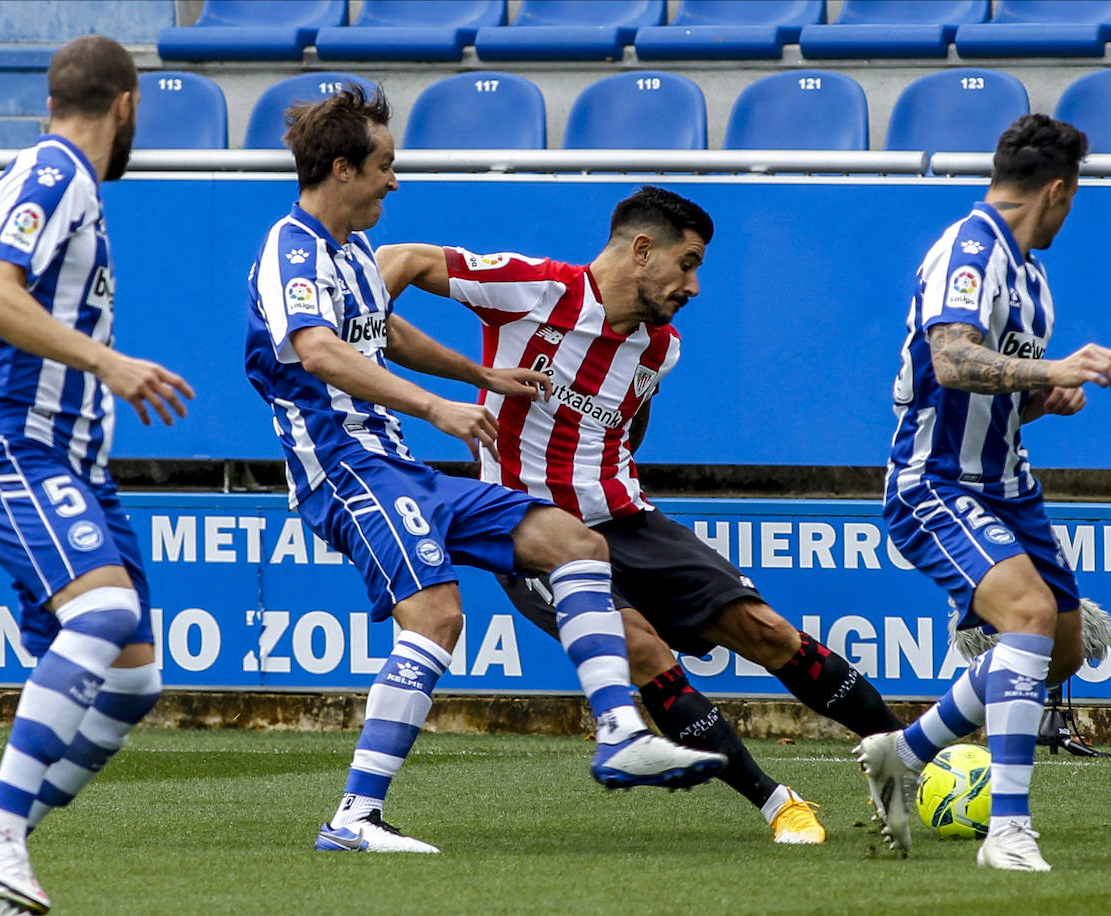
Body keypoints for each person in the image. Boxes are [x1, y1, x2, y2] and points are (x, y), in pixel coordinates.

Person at [243, 88, 725, 856]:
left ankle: (620, 730)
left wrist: (481, 374)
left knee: (575, 544)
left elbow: (383, 332)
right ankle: (353, 819)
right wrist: (439, 408)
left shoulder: (351, 257)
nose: (393, 181)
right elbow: (319, 350)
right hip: (345, 468)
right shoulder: (291, 248)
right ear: (342, 169)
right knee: (437, 618)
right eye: (384, 166)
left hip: (396, 466)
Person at [376, 185, 904, 846]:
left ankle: (903, 765)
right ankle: (777, 803)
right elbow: (398, 259)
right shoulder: (535, 289)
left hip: (628, 520)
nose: (695, 285)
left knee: (766, 631)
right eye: (687, 264)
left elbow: (630, 414)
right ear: (643, 250)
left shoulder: (661, 347)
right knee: (644, 650)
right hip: (532, 532)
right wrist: (370, 336)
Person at [0, 35, 194, 916]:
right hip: (14, 444)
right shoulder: (53, 174)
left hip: (74, 466)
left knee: (132, 676)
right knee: (107, 613)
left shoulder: (66, 183)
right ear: (127, 105)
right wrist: (110, 364)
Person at [856, 113, 1111, 871]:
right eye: (1075, 198)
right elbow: (950, 361)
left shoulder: (1031, 275)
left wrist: (1046, 396)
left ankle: (903, 753)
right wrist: (1052, 369)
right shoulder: (968, 249)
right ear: (1059, 191)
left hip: (1010, 487)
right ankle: (1008, 831)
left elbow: (997, 391)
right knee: (1029, 615)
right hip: (935, 481)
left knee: (1059, 651)